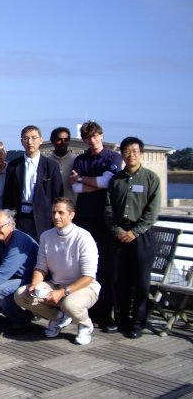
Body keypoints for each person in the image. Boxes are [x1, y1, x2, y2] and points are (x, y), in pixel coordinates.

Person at [14, 198, 100, 345]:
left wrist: (62, 292)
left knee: (70, 304)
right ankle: (59, 318)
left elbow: (89, 276)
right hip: (56, 284)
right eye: (54, 212)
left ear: (72, 215)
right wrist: (34, 285)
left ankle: (85, 325)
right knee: (21, 295)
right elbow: (41, 267)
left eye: (61, 213)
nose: (56, 216)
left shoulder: (84, 237)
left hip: (84, 288)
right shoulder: (46, 236)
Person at [69, 120, 123, 332]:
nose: (92, 140)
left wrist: (84, 179)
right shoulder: (81, 159)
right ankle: (85, 311)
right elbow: (76, 187)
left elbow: (109, 182)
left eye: (94, 136)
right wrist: (96, 183)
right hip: (84, 219)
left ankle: (106, 315)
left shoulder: (113, 157)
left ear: (101, 135)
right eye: (87, 137)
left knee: (106, 268)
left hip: (106, 220)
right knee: (84, 266)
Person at [105, 136, 160, 339]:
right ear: (122, 154)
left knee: (141, 282)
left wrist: (135, 232)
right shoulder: (116, 180)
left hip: (141, 236)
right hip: (119, 235)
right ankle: (121, 320)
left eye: (135, 151)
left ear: (141, 153)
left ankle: (138, 323)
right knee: (119, 280)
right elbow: (108, 209)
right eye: (127, 151)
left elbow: (152, 212)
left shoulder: (151, 179)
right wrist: (117, 230)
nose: (131, 155)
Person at [3, 125, 63, 241]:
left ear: (41, 140)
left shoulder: (51, 166)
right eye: (26, 138)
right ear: (22, 142)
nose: (30, 142)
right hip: (19, 218)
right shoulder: (13, 165)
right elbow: (7, 195)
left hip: (43, 219)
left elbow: (57, 196)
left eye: (34, 138)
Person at [48, 127, 77, 203]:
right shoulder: (47, 162)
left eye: (66, 140)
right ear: (52, 142)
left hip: (73, 205)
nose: (63, 142)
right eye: (59, 139)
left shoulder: (76, 160)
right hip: (53, 206)